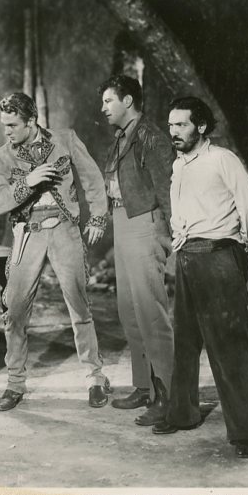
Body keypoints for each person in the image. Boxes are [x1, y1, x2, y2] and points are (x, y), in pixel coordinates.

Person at [151, 96, 248, 458]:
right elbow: (181, 211)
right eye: (171, 125)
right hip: (187, 257)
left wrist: (239, 244)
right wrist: (179, 237)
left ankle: (246, 430)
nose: (174, 132)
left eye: (181, 124)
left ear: (200, 126)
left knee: (230, 346)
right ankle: (182, 414)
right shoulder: (179, 165)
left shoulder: (222, 159)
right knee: (185, 341)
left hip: (218, 256)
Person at [0, 92, 111, 411]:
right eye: (4, 125)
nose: (7, 132)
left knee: (79, 304)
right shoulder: (0, 157)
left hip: (64, 230)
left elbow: (92, 179)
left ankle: (95, 377)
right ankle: (15, 383)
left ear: (31, 121)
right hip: (27, 233)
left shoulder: (65, 140)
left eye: (13, 125)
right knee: (15, 310)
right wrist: (28, 182)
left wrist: (98, 217)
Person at [98, 75, 175, 426]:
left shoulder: (150, 137)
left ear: (127, 101)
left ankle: (168, 394)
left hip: (145, 223)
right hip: (123, 221)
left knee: (150, 311)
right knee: (129, 311)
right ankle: (144, 387)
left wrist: (169, 233)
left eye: (108, 101)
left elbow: (166, 188)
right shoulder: (121, 138)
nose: (103, 108)